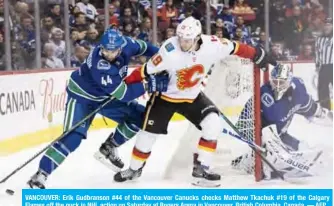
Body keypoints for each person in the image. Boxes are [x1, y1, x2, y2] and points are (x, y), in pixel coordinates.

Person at [107, 16, 275, 187]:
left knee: (213, 123)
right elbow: (144, 71)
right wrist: (122, 87)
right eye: (180, 38)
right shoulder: (169, 49)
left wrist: (256, 53)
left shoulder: (213, 45)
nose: (183, 43)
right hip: (165, 97)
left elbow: (234, 47)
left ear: (197, 38)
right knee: (147, 134)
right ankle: (134, 169)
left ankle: (202, 167)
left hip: (192, 97)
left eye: (187, 40)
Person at [27, 28, 167, 189]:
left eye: (113, 50)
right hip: (82, 98)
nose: (109, 54)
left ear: (121, 47)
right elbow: (124, 94)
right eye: (106, 49)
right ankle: (41, 175)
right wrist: (151, 84)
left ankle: (109, 147)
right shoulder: (100, 65)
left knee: (140, 117)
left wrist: (166, 59)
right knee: (73, 138)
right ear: (101, 46)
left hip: (106, 96)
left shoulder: (128, 43)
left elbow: (147, 48)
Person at [231, 64, 332, 179]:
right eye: (275, 82)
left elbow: (308, 106)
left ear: (289, 81)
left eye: (282, 82)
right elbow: (272, 119)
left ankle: (276, 160)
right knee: (272, 149)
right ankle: (253, 161)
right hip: (259, 133)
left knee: (302, 147)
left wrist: (322, 113)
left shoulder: (298, 89)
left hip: (279, 134)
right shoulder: (266, 94)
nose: (278, 86)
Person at [315, 18, 333, 110]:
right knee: (322, 89)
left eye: (329, 25)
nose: (327, 27)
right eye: (326, 25)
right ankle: (325, 109)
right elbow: (317, 53)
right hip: (324, 67)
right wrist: (317, 66)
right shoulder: (319, 40)